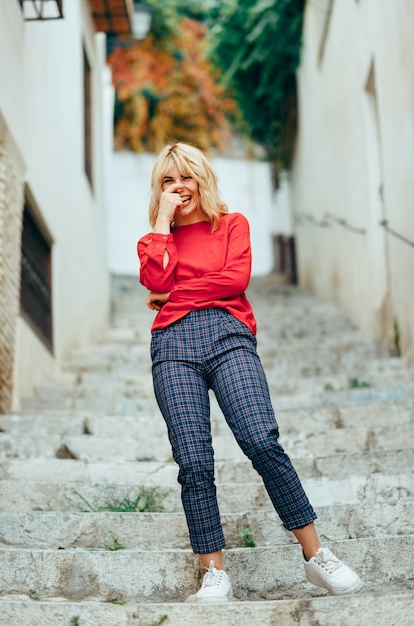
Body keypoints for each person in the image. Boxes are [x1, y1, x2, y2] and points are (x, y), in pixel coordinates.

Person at [137, 142, 363, 602]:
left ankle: (317, 557)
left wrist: (176, 295)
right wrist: (161, 223)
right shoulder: (155, 241)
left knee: (262, 440)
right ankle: (214, 572)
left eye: (187, 176)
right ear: (159, 190)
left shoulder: (232, 225)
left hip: (229, 335)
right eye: (168, 180)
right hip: (173, 347)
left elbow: (233, 281)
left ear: (203, 178)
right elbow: (156, 282)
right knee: (194, 461)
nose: (179, 187)